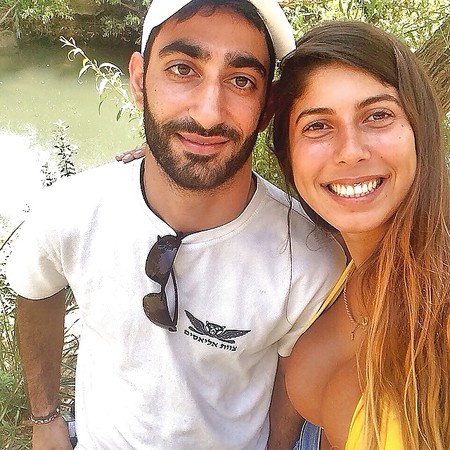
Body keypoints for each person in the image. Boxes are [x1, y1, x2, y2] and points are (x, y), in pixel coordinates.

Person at [6, 1, 346, 449]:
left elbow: (289, 383)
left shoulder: (309, 258)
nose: (208, 114)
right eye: (182, 70)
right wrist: (44, 417)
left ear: (267, 107)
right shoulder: (71, 210)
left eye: (241, 81)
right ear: (138, 81)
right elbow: (36, 291)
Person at [269, 21, 450, 449]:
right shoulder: (328, 263)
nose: (350, 151)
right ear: (288, 154)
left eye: (378, 115)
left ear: (420, 129)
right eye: (317, 125)